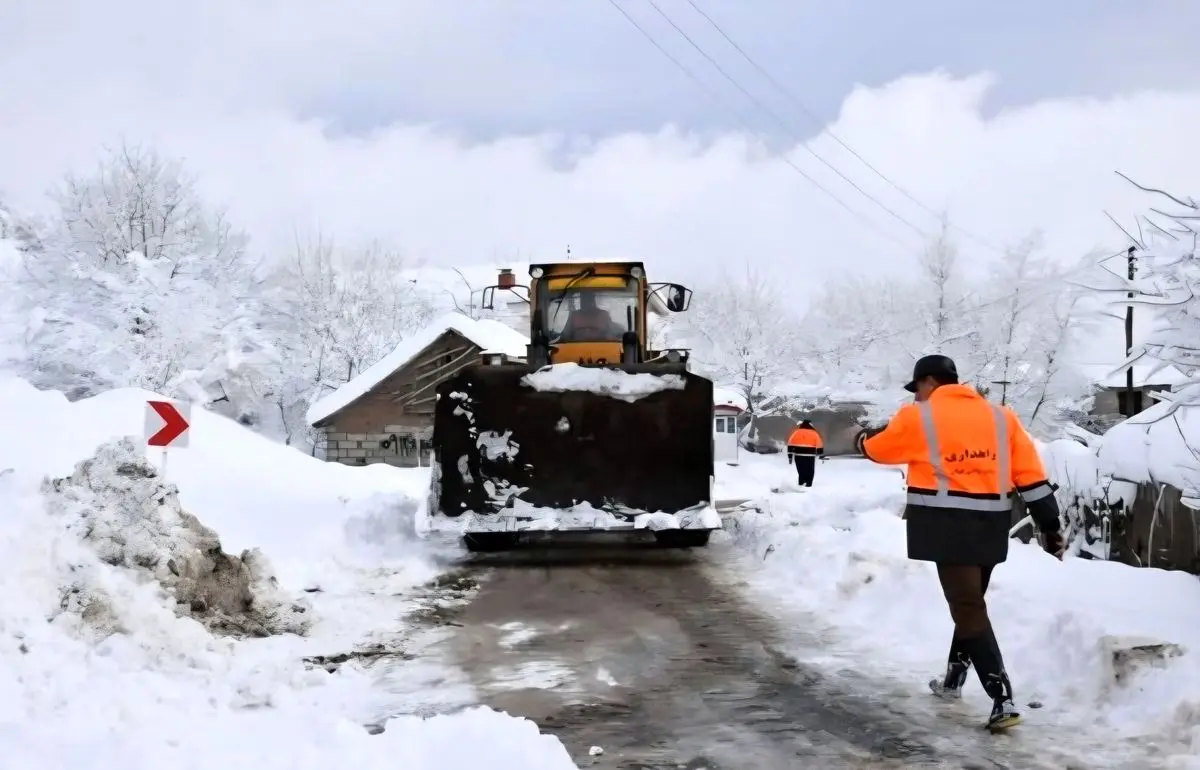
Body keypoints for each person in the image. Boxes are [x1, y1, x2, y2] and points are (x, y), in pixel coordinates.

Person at [853, 354, 1064, 732]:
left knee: (966, 607)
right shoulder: (1003, 417)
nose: (917, 396)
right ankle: (953, 681)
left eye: (917, 389)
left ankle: (1003, 699)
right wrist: (1050, 523)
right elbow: (1029, 475)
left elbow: (880, 450)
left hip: (945, 524)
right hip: (991, 525)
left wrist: (861, 440)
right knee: (971, 603)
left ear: (929, 383)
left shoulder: (918, 416)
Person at [786, 419, 823, 487]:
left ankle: (801, 483)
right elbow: (819, 444)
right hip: (810, 455)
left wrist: (790, 456)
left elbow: (790, 443)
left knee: (801, 470)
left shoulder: (796, 432)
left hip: (798, 454)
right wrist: (820, 453)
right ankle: (809, 484)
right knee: (809, 470)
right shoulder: (814, 433)